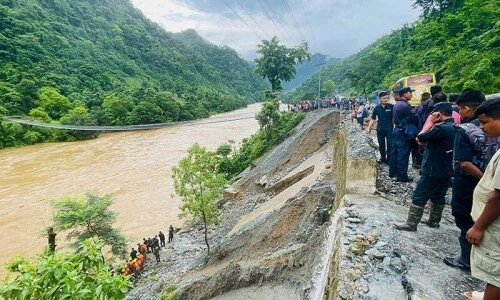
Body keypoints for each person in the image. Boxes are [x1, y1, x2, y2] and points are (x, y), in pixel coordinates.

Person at [444, 90, 492, 271]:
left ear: (466, 108)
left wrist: (484, 180)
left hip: (468, 183)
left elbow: (464, 163)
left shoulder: (465, 130)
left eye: (459, 108)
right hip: (492, 182)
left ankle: (466, 259)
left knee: (464, 217)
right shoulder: (493, 126)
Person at [395, 102, 456, 231]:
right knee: (438, 195)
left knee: (419, 195)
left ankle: (411, 224)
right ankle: (434, 221)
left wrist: (429, 123)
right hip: (446, 169)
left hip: (432, 169)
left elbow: (420, 137)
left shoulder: (440, 129)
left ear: (439, 113)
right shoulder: (455, 127)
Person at [465, 98, 500, 300]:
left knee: (495, 270)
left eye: (485, 122)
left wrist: (479, 226)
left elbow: (498, 196)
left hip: (493, 224)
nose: (481, 127)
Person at [389, 87, 419, 182]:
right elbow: (414, 118)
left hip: (397, 130)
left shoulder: (397, 104)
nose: (411, 94)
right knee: (403, 153)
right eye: (410, 93)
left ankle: (393, 172)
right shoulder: (405, 106)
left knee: (395, 152)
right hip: (403, 132)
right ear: (405, 94)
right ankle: (402, 176)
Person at [366, 91, 393, 163]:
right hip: (380, 128)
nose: (386, 99)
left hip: (389, 128)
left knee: (390, 144)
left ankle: (389, 159)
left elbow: (394, 118)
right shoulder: (377, 108)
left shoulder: (391, 106)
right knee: (381, 144)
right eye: (384, 98)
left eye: (387, 98)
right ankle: (383, 157)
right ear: (380, 99)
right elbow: (373, 118)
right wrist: (369, 127)